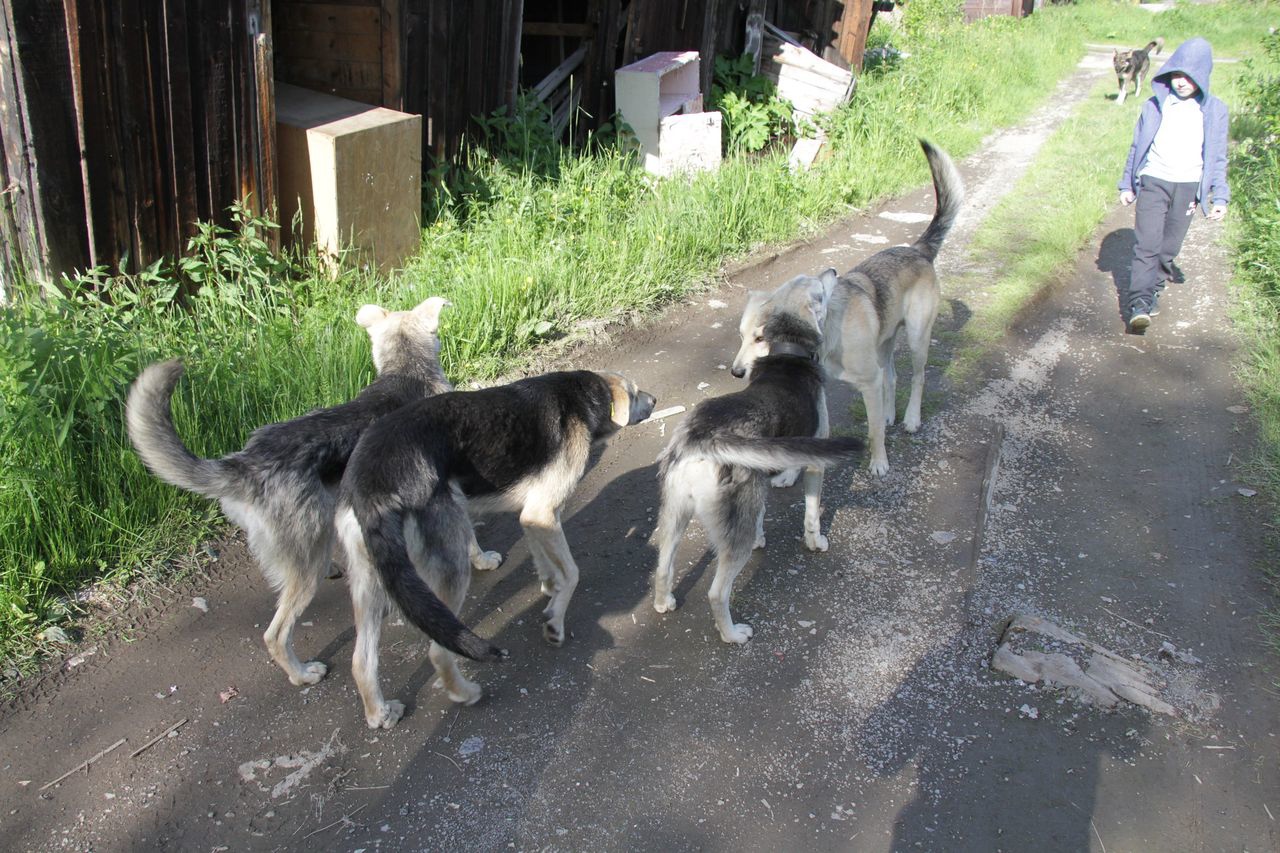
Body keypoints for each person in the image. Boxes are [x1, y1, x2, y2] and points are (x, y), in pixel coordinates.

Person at [1118, 36, 1229, 334]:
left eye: (1189, 77)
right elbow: (1136, 147)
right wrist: (1127, 183)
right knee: (1147, 245)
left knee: (1168, 247)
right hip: (1154, 179)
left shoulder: (1215, 110)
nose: (1181, 82)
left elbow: (1218, 156)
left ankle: (1154, 286)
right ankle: (1139, 304)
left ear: (1202, 76)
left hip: (1189, 186)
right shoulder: (1155, 106)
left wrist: (1220, 196)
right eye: (1177, 74)